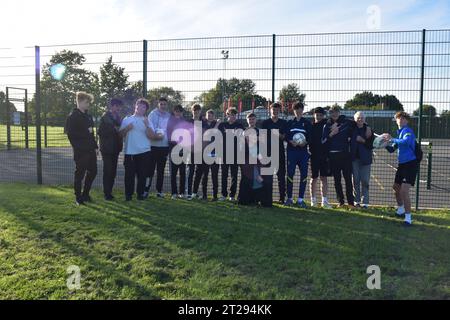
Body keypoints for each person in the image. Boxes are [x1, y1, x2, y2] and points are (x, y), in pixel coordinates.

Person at [383, 111, 418, 226]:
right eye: (399, 118)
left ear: (407, 121)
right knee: (396, 188)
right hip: (402, 165)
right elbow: (392, 149)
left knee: (404, 191)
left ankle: (408, 218)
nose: (401, 120)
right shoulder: (399, 133)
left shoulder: (407, 131)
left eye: (404, 118)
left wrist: (392, 139)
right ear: (396, 120)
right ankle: (401, 209)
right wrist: (384, 143)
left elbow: (406, 142)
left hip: (411, 165)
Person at [119, 99, 157, 201]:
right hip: (130, 152)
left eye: (143, 107)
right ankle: (128, 195)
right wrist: (127, 128)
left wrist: (147, 125)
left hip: (144, 152)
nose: (140, 108)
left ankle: (140, 195)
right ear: (135, 106)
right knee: (129, 176)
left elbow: (152, 136)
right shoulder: (127, 119)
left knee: (142, 175)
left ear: (146, 110)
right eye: (139, 105)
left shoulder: (147, 121)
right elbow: (120, 134)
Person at [65, 91, 98, 206]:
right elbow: (71, 135)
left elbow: (91, 133)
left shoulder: (88, 116)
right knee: (80, 174)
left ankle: (86, 194)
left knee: (93, 171)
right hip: (80, 151)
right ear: (79, 102)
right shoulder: (73, 116)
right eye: (86, 102)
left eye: (89, 102)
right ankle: (78, 198)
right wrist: (85, 133)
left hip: (90, 150)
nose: (88, 104)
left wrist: (95, 147)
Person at [322, 105, 355, 207]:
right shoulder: (326, 125)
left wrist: (366, 127)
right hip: (333, 156)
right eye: (332, 112)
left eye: (336, 112)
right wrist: (332, 133)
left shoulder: (347, 122)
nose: (334, 114)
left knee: (348, 179)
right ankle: (341, 202)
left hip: (345, 155)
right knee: (337, 180)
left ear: (339, 112)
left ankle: (350, 202)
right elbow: (323, 141)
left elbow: (359, 124)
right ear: (330, 113)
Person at [238, 113, 272, 207]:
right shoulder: (243, 132)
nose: (251, 121)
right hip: (246, 160)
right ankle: (246, 200)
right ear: (247, 120)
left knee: (258, 179)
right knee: (246, 179)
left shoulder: (260, 131)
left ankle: (258, 200)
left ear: (256, 120)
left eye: (253, 119)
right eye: (250, 119)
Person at [284, 102, 312, 207]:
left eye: (300, 109)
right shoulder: (290, 122)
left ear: (302, 110)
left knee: (304, 175)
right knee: (290, 174)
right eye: (296, 109)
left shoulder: (307, 123)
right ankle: (289, 198)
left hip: (303, 153)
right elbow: (286, 136)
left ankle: (300, 200)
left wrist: (306, 142)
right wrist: (290, 141)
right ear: (293, 111)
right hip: (292, 152)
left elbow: (310, 137)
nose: (298, 111)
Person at [98, 98, 123, 201]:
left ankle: (110, 192)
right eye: (116, 106)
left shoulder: (118, 118)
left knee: (113, 171)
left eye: (119, 106)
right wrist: (113, 130)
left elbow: (119, 131)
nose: (118, 108)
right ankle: (106, 193)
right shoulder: (104, 117)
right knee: (107, 171)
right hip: (107, 149)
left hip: (115, 148)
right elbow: (100, 132)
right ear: (111, 106)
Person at [145, 97, 171, 198]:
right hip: (153, 146)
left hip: (164, 147)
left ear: (166, 105)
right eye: (161, 104)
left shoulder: (169, 116)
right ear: (158, 104)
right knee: (150, 170)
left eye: (165, 104)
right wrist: (157, 135)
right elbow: (150, 128)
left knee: (161, 170)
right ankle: (146, 190)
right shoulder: (152, 114)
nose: (163, 106)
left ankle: (159, 191)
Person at [261, 102, 287, 204]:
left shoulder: (283, 122)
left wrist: (275, 133)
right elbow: (263, 138)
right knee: (267, 177)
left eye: (277, 110)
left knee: (281, 177)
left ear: (279, 111)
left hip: (280, 152)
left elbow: (284, 137)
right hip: (268, 153)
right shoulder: (265, 123)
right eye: (273, 110)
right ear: (270, 111)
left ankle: (282, 198)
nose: (275, 112)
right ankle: (268, 198)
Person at [218, 108, 244, 202]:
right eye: (230, 114)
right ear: (227, 115)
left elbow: (241, 137)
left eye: (234, 115)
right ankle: (223, 195)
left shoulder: (239, 125)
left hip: (236, 154)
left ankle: (232, 195)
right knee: (224, 175)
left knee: (234, 176)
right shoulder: (222, 125)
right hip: (224, 154)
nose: (232, 116)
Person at [309, 107, 332, 208]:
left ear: (323, 116)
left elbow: (341, 120)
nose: (318, 116)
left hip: (324, 156)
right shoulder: (310, 125)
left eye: (320, 115)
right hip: (314, 155)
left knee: (324, 178)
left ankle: (324, 201)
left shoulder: (327, 124)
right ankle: (313, 200)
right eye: (317, 115)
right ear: (314, 115)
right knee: (313, 178)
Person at [196, 109, 221, 201]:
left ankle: (215, 196)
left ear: (214, 116)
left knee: (215, 175)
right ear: (206, 116)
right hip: (205, 152)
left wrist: (218, 124)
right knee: (205, 174)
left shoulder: (219, 124)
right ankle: (204, 195)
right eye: (208, 115)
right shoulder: (203, 124)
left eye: (211, 115)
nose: (210, 116)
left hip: (215, 152)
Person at [350, 111, 374, 208]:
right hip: (354, 159)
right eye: (358, 118)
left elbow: (372, 145)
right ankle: (356, 201)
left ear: (365, 119)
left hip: (366, 159)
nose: (360, 119)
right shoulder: (351, 128)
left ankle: (365, 202)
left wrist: (363, 140)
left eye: (362, 118)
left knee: (365, 181)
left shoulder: (369, 130)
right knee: (355, 180)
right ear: (355, 119)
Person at [167, 104, 188, 200]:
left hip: (183, 148)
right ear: (174, 111)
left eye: (180, 111)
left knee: (182, 172)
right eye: (176, 110)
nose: (178, 112)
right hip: (173, 148)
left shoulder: (184, 121)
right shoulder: (170, 121)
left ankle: (182, 192)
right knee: (173, 172)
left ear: (182, 112)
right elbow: (169, 134)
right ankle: (174, 193)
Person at [186, 104, 204, 200]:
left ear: (200, 111)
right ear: (192, 111)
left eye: (198, 111)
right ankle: (188, 193)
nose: (196, 113)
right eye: (194, 111)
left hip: (201, 150)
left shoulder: (203, 122)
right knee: (191, 172)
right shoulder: (189, 122)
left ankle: (194, 192)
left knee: (199, 172)